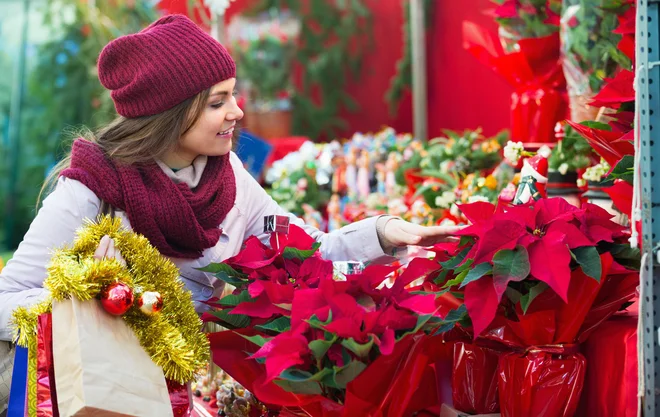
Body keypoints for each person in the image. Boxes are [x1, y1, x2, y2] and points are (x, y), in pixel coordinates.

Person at [0, 14, 462, 345]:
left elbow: (306, 253)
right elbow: (8, 301)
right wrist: (113, 304)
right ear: (170, 114)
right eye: (218, 102)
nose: (238, 112)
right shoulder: (92, 189)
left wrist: (386, 232)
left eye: (233, 95)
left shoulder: (229, 180)